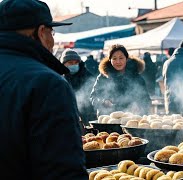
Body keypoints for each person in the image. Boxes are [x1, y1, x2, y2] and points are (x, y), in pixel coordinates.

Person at [0, 0, 87, 179]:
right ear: (41, 33)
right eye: (52, 32)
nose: (53, 41)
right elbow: (63, 172)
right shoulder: (47, 84)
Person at [91, 44, 151, 116]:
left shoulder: (136, 77)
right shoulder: (103, 77)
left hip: (131, 119)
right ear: (110, 60)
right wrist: (103, 102)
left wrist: (139, 105)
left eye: (121, 58)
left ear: (126, 58)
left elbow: (146, 99)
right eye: (114, 58)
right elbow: (94, 97)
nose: (118, 62)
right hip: (108, 120)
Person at [60, 49, 96, 124]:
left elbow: (94, 95)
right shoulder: (60, 79)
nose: (74, 65)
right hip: (68, 118)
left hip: (89, 117)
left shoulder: (88, 76)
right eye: (70, 63)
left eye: (76, 62)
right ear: (63, 64)